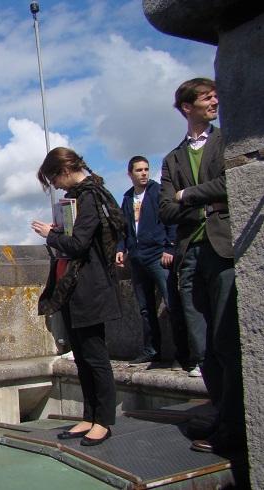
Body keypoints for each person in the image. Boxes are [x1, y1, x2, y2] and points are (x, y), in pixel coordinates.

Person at [160, 78, 244, 453]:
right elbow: (164, 208)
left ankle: (236, 426)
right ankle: (223, 413)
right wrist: (204, 201)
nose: (215, 101)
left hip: (222, 248)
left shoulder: (228, 141)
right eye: (207, 97)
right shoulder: (172, 159)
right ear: (185, 107)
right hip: (188, 254)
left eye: (216, 95)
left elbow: (232, 183)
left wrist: (188, 195)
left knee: (227, 340)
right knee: (201, 343)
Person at [32, 147, 122, 446]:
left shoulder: (90, 196)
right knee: (82, 357)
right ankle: (90, 415)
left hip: (90, 286)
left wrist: (51, 234)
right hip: (75, 287)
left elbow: (80, 243)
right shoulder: (81, 196)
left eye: (54, 178)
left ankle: (104, 421)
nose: (55, 185)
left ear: (65, 170)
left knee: (95, 357)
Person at [116, 156, 188, 370]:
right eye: (139, 170)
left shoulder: (158, 192)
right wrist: (121, 249)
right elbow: (124, 227)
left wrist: (170, 247)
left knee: (172, 303)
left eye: (146, 169)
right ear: (130, 174)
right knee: (145, 308)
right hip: (138, 256)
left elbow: (171, 219)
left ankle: (183, 355)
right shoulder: (128, 197)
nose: (144, 173)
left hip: (158, 254)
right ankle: (151, 351)